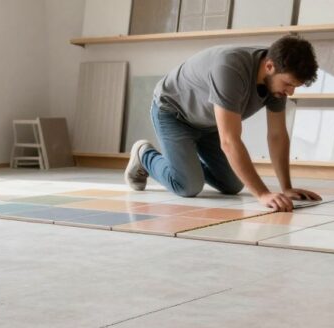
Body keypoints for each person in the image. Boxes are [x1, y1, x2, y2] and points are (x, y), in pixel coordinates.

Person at [124, 35, 322, 212]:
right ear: (269, 66)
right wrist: (262, 194)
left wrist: (286, 187)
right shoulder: (231, 68)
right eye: (288, 84)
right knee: (188, 186)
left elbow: (277, 135)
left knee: (232, 185)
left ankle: (186, 163)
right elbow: (229, 140)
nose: (291, 92)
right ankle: (144, 155)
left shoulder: (276, 82)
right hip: (173, 113)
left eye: (295, 87)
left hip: (208, 123)